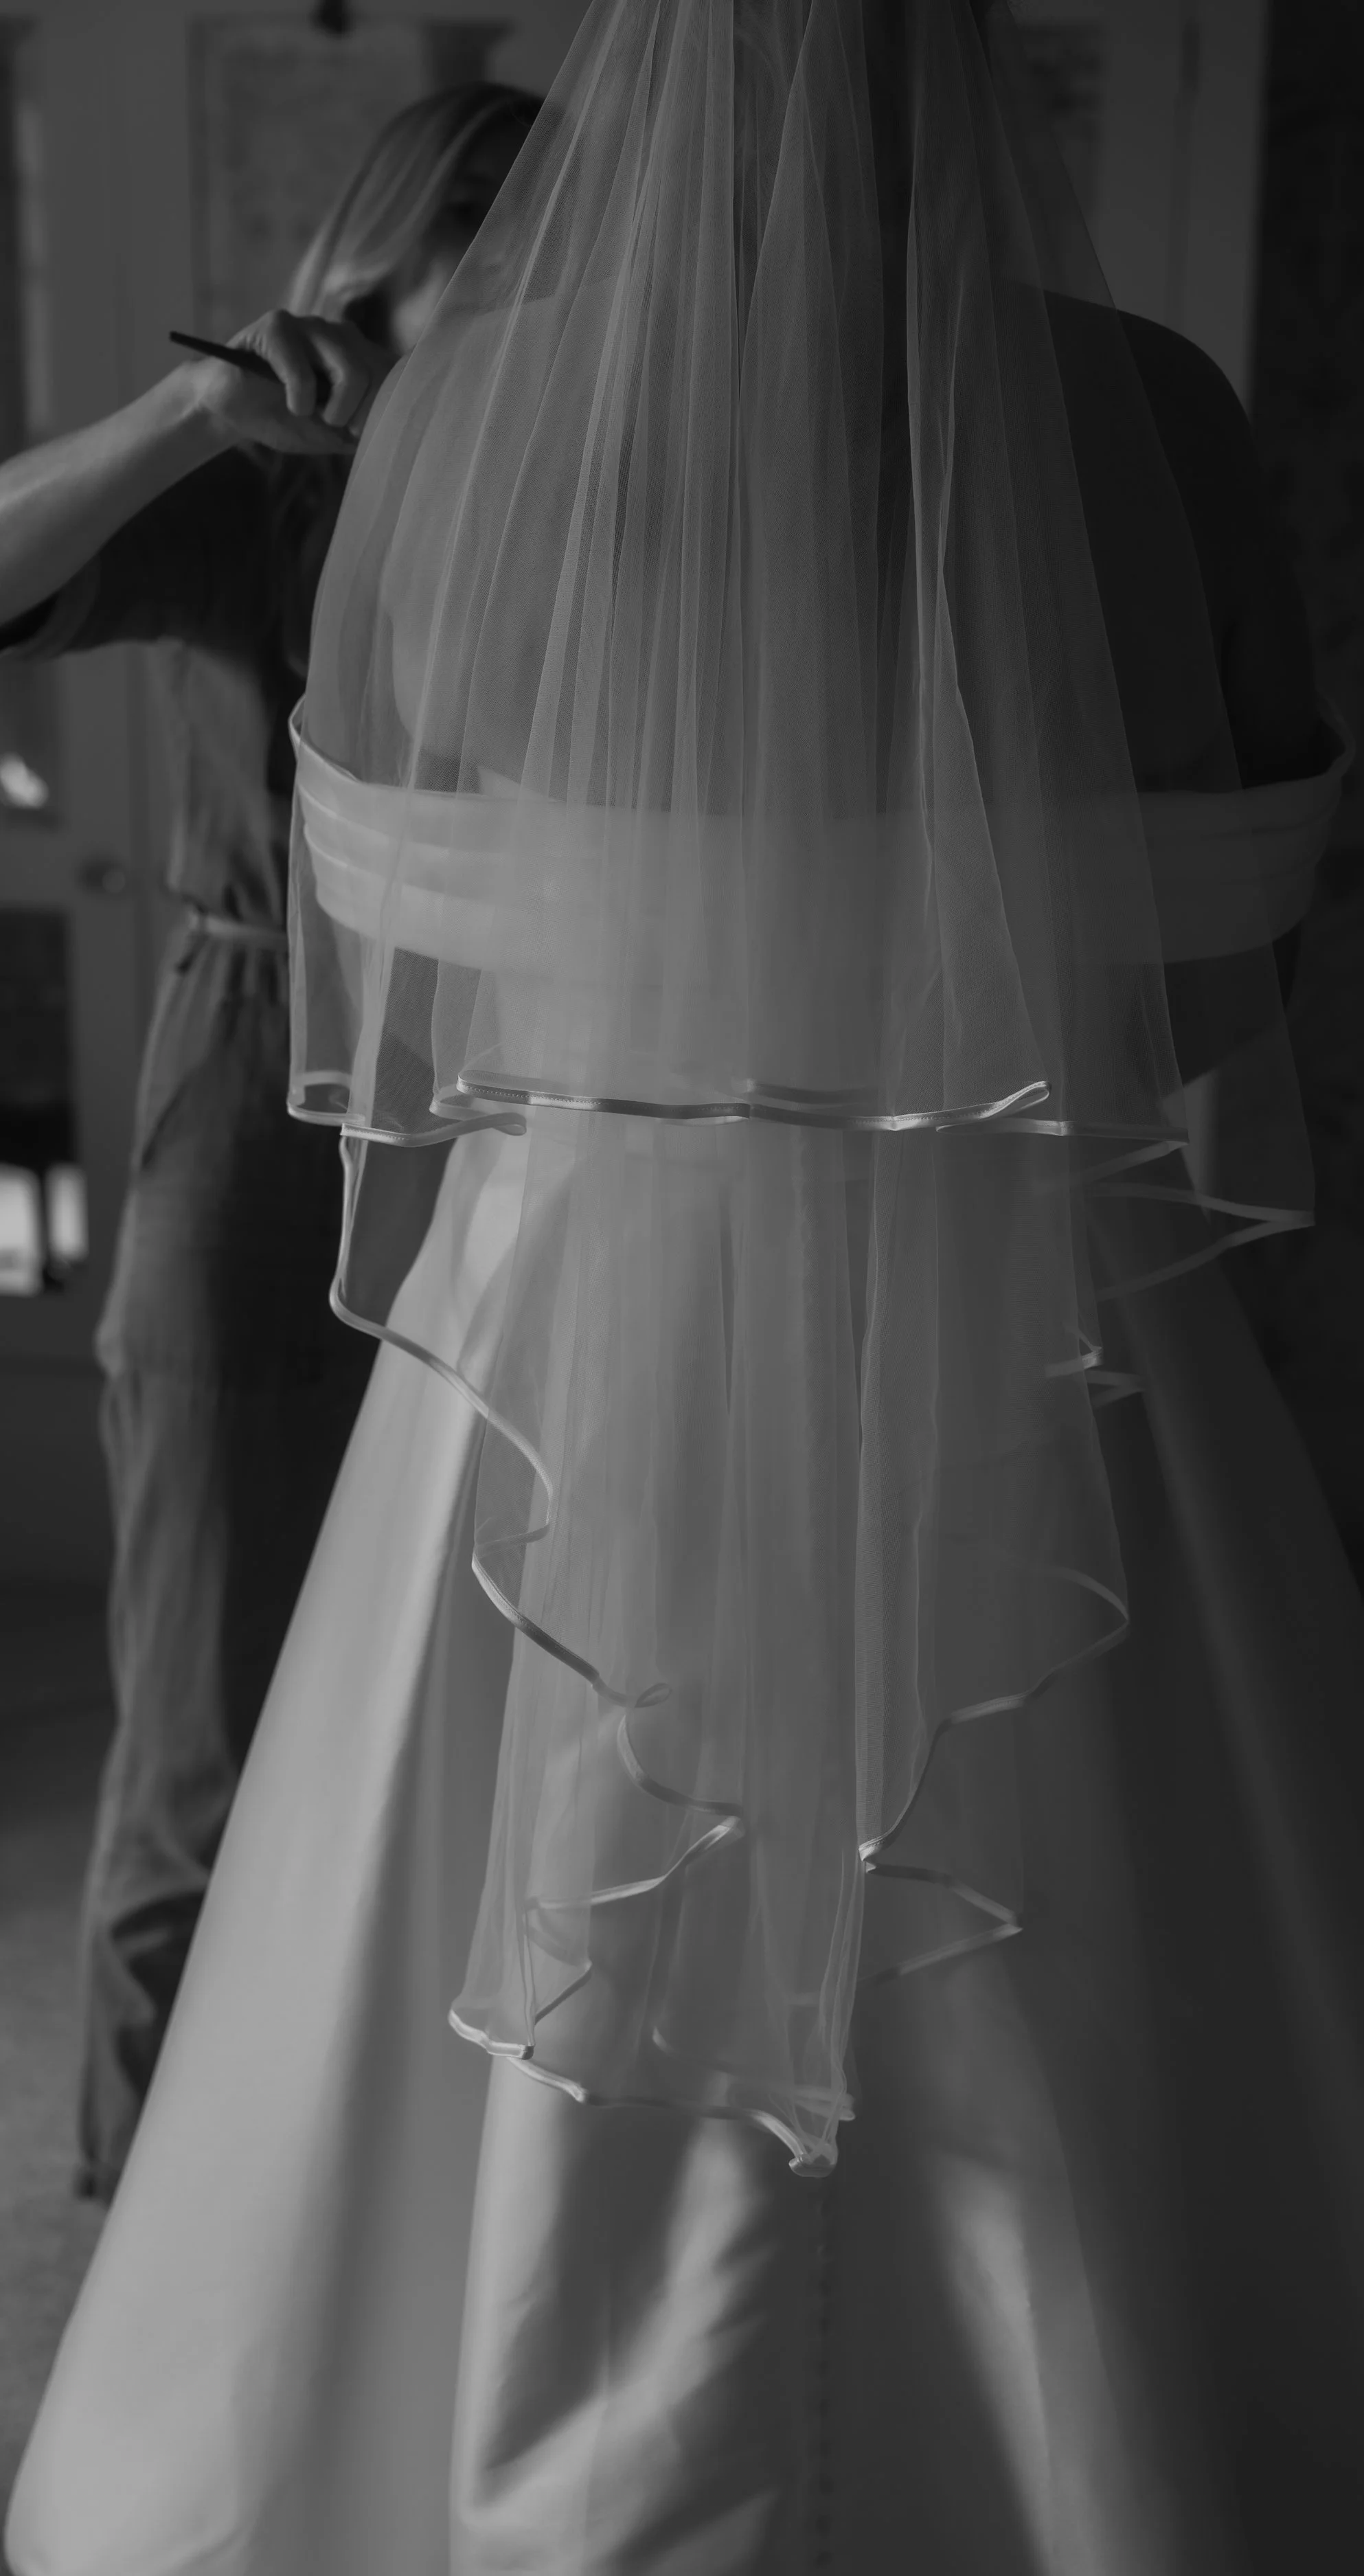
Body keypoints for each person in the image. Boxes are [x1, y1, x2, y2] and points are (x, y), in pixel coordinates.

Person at [8, 5, 1364, 2571]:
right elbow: (1232, 935)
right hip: (1009, 1268)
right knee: (1078, 1864)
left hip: (578, 1279)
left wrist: (663, 1011)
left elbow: (386, 924)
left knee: (497, 1833)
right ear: (973, 99)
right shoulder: (1138, 417)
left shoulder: (461, 432)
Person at [0, 80, 538, 2202]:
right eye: (486, 230)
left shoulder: (614, 506)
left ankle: (404, 2243)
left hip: (547, 1132)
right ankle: (148, 2253)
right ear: (382, 254)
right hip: (268, 1120)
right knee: (207, 1743)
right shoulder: (262, 496)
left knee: (489, 1744)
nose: (536, 286)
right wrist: (187, 423)